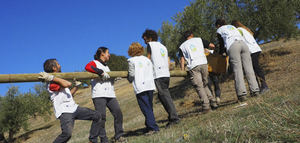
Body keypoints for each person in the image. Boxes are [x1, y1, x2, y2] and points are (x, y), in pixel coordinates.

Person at [39, 59, 102, 143]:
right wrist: (51, 77)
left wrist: (76, 86)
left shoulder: (58, 79)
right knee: (67, 134)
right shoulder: (51, 82)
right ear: (54, 68)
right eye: (58, 64)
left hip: (74, 108)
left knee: (97, 116)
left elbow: (69, 95)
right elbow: (67, 84)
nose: (60, 65)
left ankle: (92, 141)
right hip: (64, 111)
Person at [85, 47, 126, 143]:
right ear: (102, 53)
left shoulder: (107, 66)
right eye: (108, 53)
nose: (109, 55)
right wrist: (100, 72)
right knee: (101, 117)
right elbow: (88, 67)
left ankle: (119, 136)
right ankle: (104, 139)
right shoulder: (94, 62)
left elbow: (107, 78)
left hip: (110, 94)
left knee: (118, 113)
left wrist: (113, 78)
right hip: (99, 94)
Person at [215, 18, 260, 102]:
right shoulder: (232, 27)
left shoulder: (220, 30)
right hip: (244, 45)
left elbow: (221, 44)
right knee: (249, 68)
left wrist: (221, 54)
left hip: (233, 46)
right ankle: (255, 90)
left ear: (218, 25)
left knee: (238, 70)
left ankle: (242, 94)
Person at [142, 29, 180, 126]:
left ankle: (174, 118)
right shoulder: (163, 46)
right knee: (162, 95)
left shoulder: (151, 45)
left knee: (165, 96)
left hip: (158, 74)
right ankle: (172, 116)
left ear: (150, 38)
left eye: (145, 40)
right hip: (165, 73)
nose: (145, 42)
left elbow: (148, 59)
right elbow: (167, 59)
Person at [178, 30, 218, 112]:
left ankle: (206, 106)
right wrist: (212, 52)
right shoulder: (199, 40)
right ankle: (213, 102)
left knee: (199, 86)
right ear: (192, 35)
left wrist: (182, 71)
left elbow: (182, 60)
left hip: (193, 66)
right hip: (204, 63)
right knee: (206, 83)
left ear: (185, 38)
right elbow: (212, 46)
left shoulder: (182, 46)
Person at [127, 42, 160, 135]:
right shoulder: (147, 59)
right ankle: (149, 125)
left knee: (145, 108)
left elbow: (132, 74)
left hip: (140, 86)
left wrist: (129, 79)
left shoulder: (131, 61)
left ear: (131, 51)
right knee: (149, 106)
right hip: (150, 85)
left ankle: (153, 128)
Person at [231, 20, 270, 94]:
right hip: (256, 49)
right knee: (255, 68)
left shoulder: (238, 30)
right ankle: (259, 86)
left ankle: (264, 86)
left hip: (251, 51)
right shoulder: (245, 29)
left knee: (254, 68)